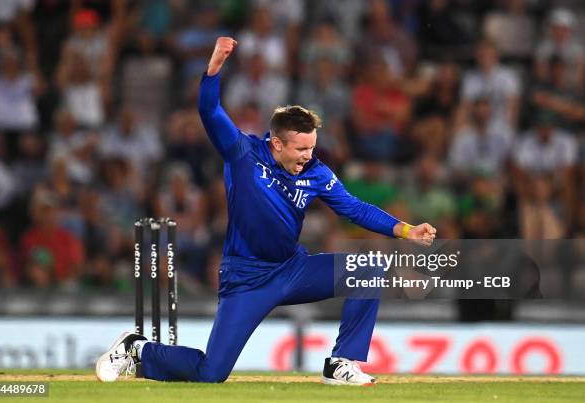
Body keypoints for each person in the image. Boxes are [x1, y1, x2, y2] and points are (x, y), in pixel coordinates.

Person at [96, 37, 436, 385]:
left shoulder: (317, 172)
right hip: (246, 277)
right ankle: (137, 349)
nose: (308, 156)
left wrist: (406, 230)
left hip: (293, 269)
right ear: (277, 143)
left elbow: (353, 209)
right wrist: (213, 69)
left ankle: (341, 363)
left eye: (312, 147)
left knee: (369, 268)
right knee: (211, 373)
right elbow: (209, 112)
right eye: (301, 149)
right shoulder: (242, 154)